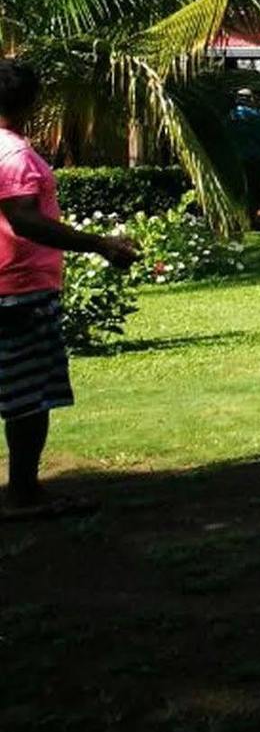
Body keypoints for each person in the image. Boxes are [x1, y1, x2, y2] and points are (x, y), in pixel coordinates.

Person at [0, 60, 137, 517]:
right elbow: (25, 219)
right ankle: (23, 494)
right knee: (28, 396)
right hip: (19, 289)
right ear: (30, 102)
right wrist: (98, 243)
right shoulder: (14, 156)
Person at [227, 86, 260, 216]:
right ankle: (253, 215)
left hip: (236, 157)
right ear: (251, 99)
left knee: (239, 188)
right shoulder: (259, 116)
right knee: (255, 187)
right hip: (256, 157)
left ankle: (239, 214)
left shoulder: (231, 116)